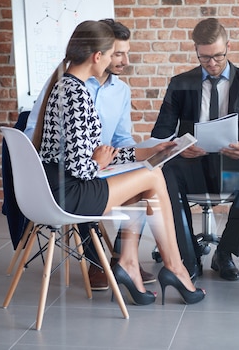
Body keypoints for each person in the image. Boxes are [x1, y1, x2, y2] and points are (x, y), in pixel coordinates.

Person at [33, 20, 205, 305]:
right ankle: (174, 267)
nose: (117, 60)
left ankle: (129, 264)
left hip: (62, 186)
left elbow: (95, 154)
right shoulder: (76, 94)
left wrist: (146, 153)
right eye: (113, 53)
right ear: (97, 56)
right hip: (71, 193)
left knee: (147, 174)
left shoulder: (66, 86)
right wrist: (99, 162)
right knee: (153, 177)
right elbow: (83, 169)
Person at [151, 18, 239, 281]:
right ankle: (188, 256)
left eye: (218, 56)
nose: (212, 64)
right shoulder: (180, 83)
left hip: (228, 166)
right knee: (167, 178)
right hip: (190, 164)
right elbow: (161, 132)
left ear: (228, 46)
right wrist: (181, 147)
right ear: (196, 50)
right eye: (204, 58)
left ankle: (225, 253)